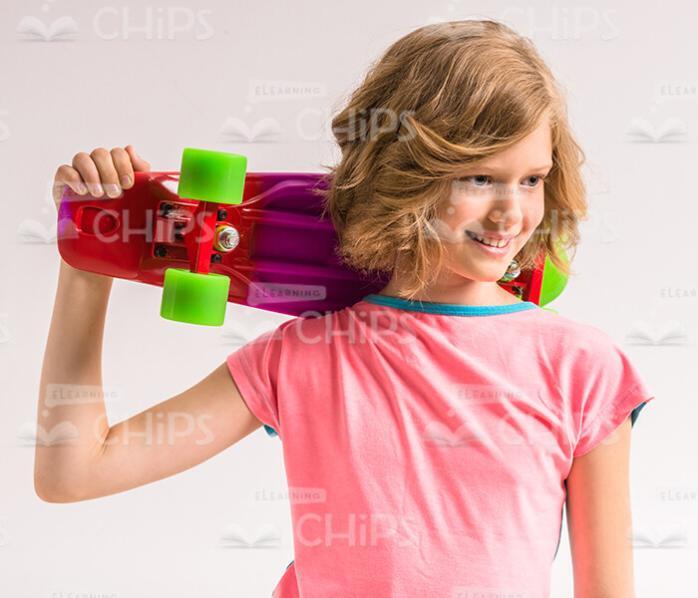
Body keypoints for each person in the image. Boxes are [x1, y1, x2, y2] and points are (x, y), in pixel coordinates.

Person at [36, 19, 655, 598]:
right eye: (477, 178)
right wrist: (89, 263)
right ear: (404, 175)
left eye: (532, 179)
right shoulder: (304, 356)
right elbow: (75, 473)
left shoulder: (582, 369)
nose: (511, 213)